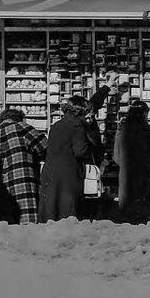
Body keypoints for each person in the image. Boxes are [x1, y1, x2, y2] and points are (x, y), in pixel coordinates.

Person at [40, 94, 103, 222]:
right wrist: (93, 150)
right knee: (68, 210)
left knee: (51, 208)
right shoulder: (77, 126)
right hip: (68, 173)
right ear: (80, 111)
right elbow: (80, 151)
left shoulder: (56, 125)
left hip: (51, 172)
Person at [113, 99, 150, 223]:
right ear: (145, 114)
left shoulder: (121, 130)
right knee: (144, 216)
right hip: (145, 176)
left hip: (126, 177)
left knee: (127, 216)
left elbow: (116, 157)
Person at [0, 107, 48, 224]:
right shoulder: (21, 127)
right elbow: (45, 146)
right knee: (29, 220)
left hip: (5, 185)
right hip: (24, 180)